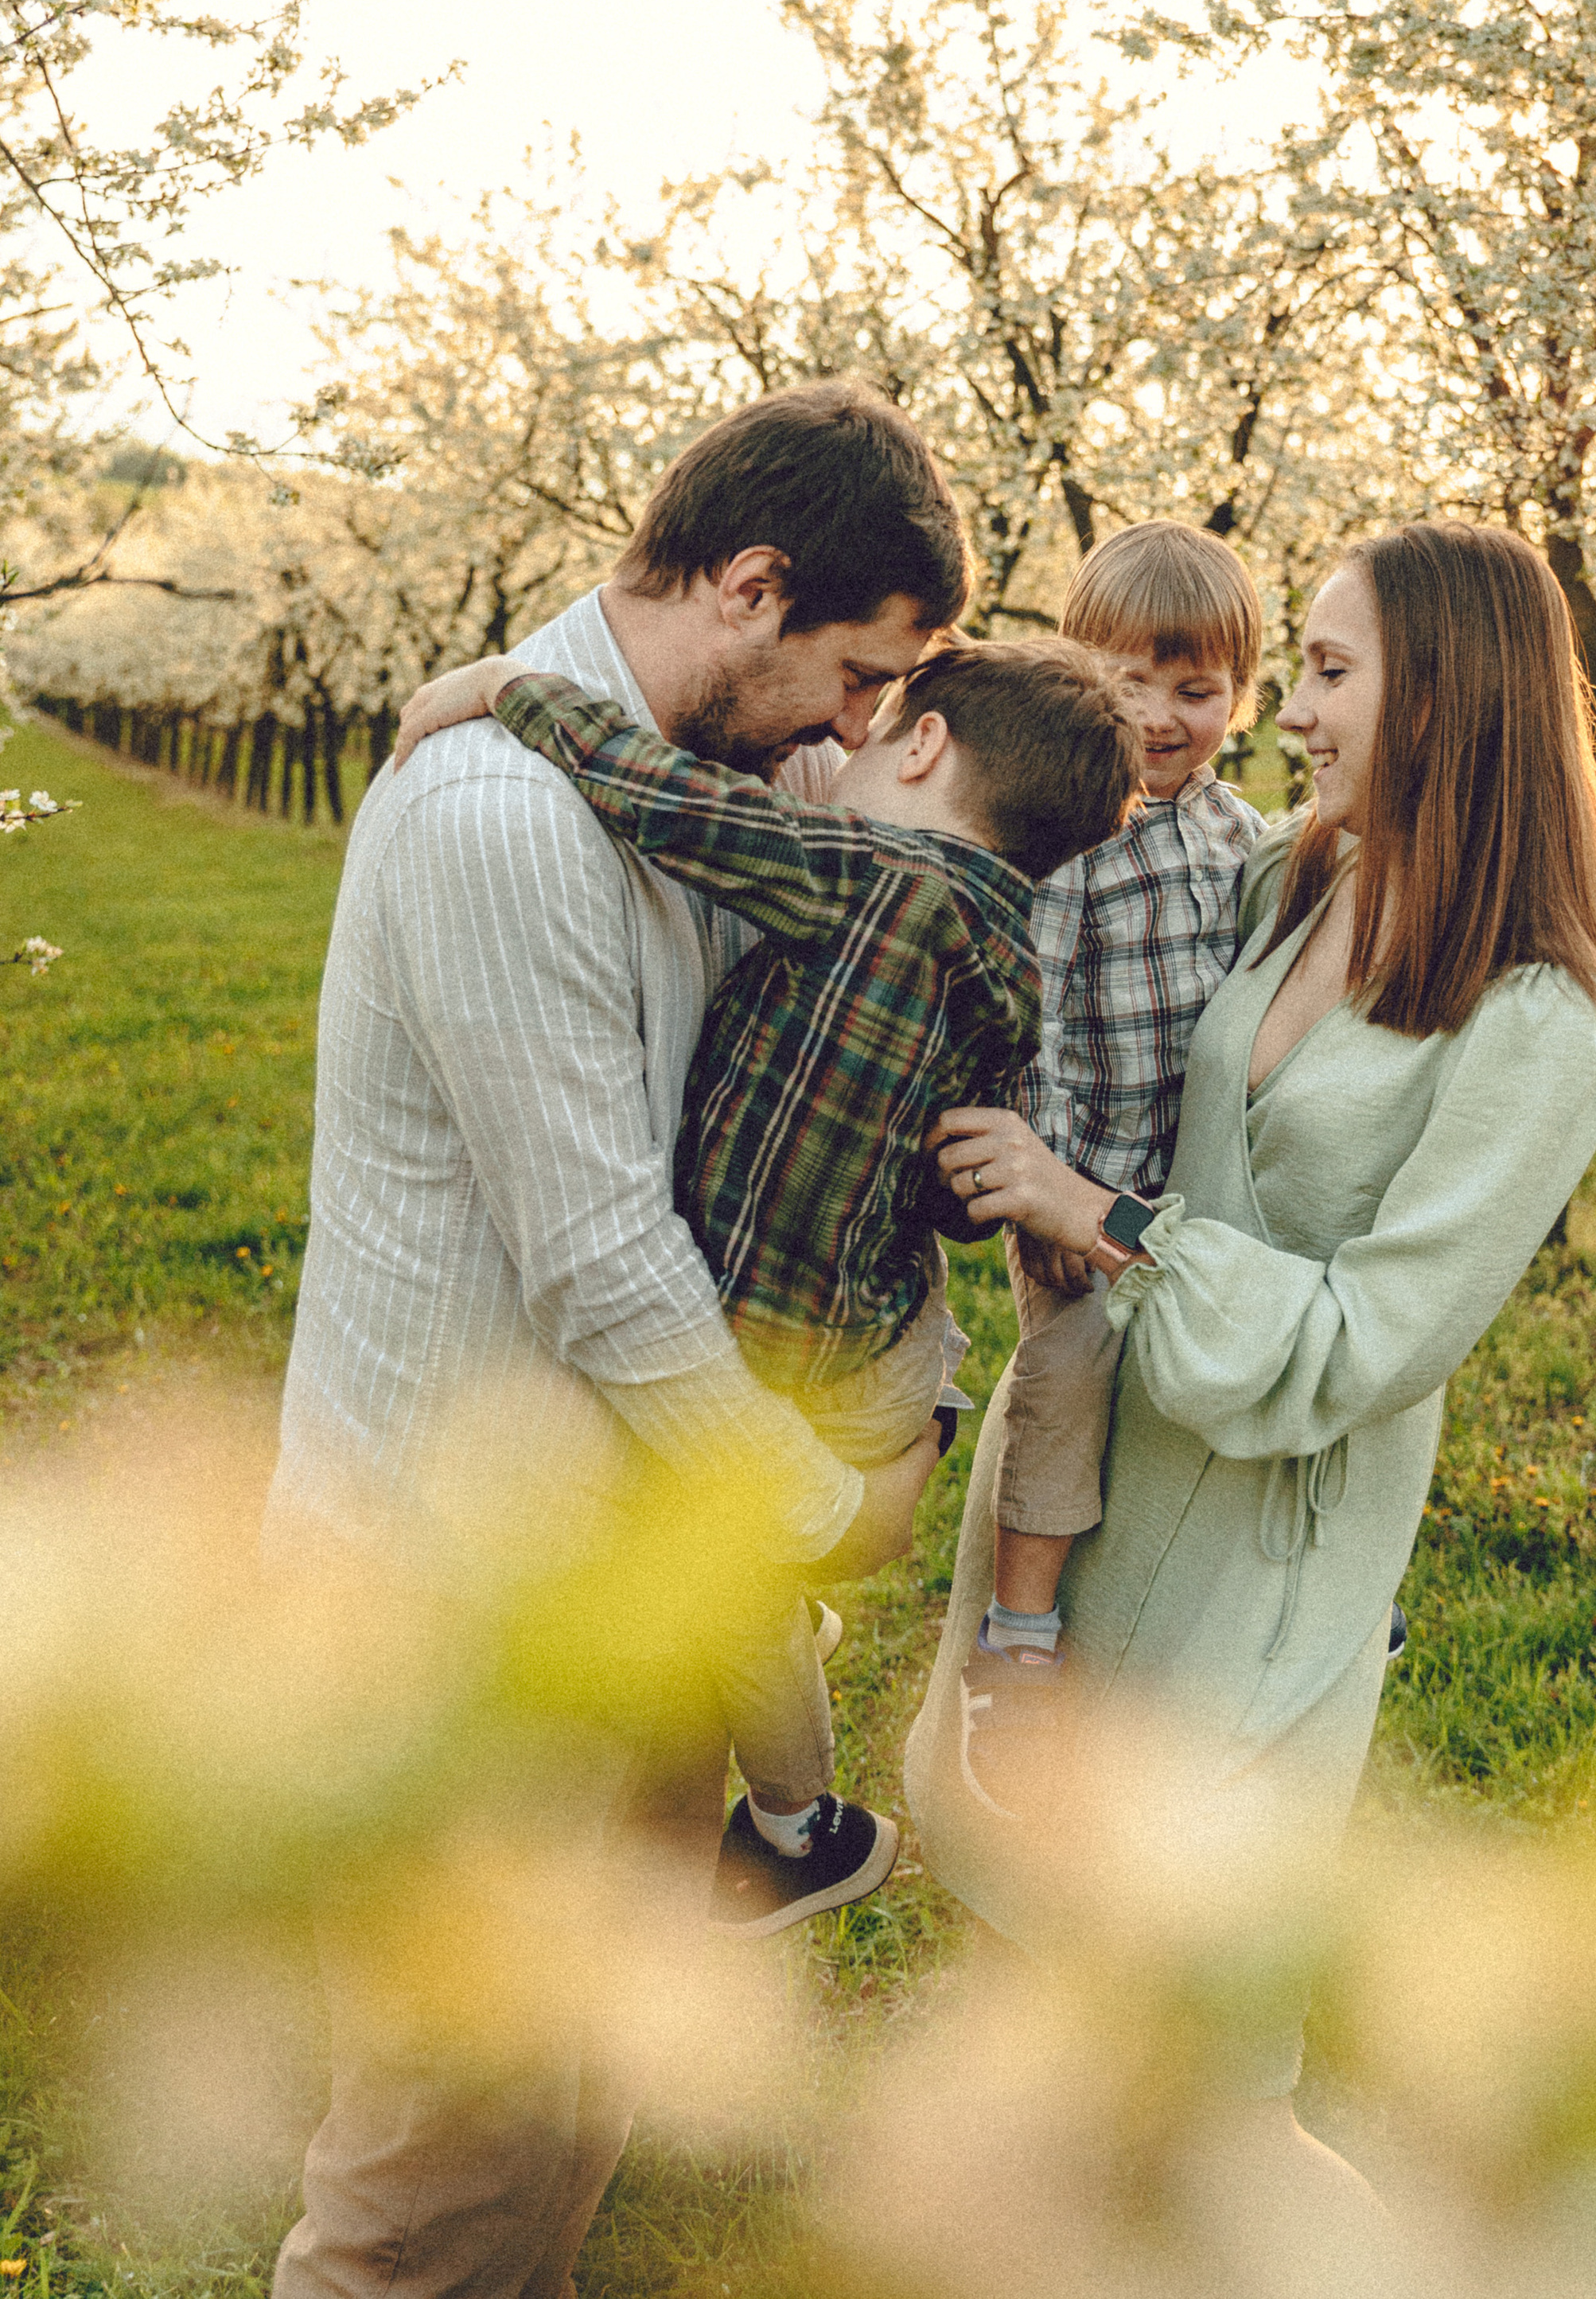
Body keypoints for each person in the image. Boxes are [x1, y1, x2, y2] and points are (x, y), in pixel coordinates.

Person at [268, 380, 974, 2299]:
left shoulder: (697, 778)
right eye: (851, 673)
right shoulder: (506, 819)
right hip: (457, 1604)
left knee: (567, 2121)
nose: (858, 729)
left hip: (628, 1575)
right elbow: (595, 1262)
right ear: (749, 587)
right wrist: (817, 1513)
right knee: (429, 2179)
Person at [911, 520, 1596, 2161]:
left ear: (1447, 702)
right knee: (1017, 1961)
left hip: (1260, 1546)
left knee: (1191, 2068)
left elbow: (1367, 1342)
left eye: (1321, 673)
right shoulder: (1301, 870)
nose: (1286, 716)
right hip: (1091, 1473)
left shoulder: (1540, 1017)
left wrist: (1098, 1218)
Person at [389, 633, 1145, 1933]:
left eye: (876, 717)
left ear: (922, 746)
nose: (841, 745)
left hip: (783, 1345)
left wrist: (510, 689)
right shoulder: (1008, 966)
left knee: (733, 1591)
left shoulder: (865, 878)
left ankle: (800, 1827)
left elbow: (671, 804)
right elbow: (959, 1197)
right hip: (884, 1339)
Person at [964, 522, 1265, 1797]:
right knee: (1075, 1373)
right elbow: (1038, 1020)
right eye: (1127, 682)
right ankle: (1020, 1632)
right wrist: (1055, 1207)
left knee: (1235, 1372)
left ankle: (1299, 1590)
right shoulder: (1065, 833)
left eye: (1193, 690)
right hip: (1077, 1179)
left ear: (1240, 700)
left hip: (1194, 1189)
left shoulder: (1242, 836)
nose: (1158, 716)